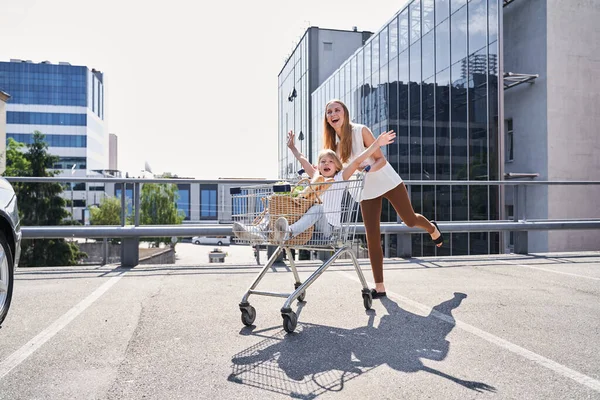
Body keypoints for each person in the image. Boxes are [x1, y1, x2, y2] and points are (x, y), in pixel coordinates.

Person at [320, 99, 443, 299]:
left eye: (337, 110)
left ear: (345, 113)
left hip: (386, 180)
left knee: (410, 220)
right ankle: (379, 286)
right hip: (364, 191)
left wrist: (366, 169)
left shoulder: (361, 131)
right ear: (327, 119)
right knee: (372, 237)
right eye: (329, 112)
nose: (333, 114)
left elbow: (381, 159)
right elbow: (332, 172)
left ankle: (432, 228)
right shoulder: (334, 146)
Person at [232, 130, 396, 245]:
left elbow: (358, 160)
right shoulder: (316, 177)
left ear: (337, 166)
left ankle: (287, 232)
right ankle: (258, 231)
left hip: (329, 228)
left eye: (331, 161)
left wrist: (377, 144)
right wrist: (292, 147)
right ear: (318, 166)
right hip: (309, 224)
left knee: (319, 208)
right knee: (279, 202)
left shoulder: (341, 177)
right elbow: (302, 159)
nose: (326, 164)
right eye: (323, 161)